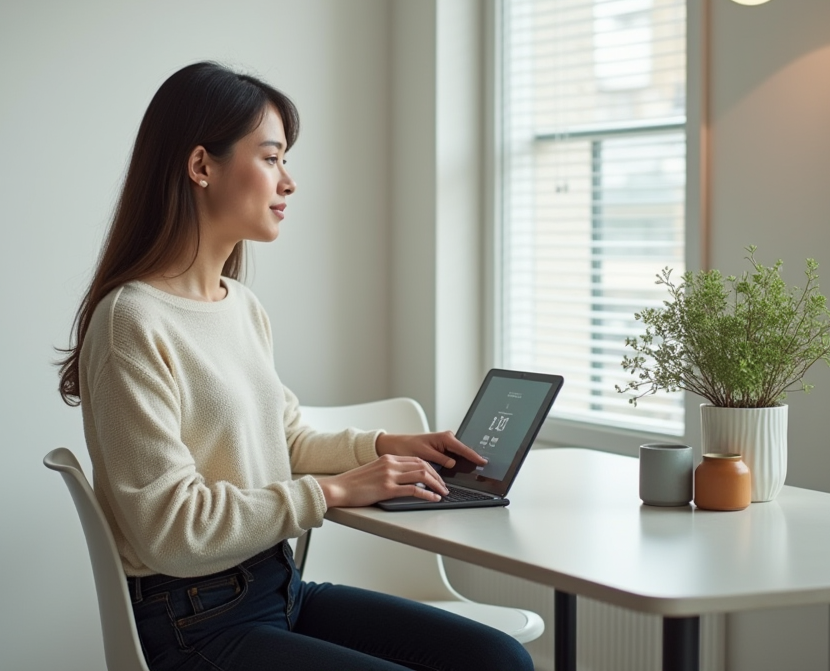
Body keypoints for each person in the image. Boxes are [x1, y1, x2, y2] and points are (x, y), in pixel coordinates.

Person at [57, 62, 534, 671]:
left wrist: (384, 446)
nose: (289, 182)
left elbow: (284, 438)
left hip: (276, 587)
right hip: (193, 624)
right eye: (271, 158)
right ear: (202, 167)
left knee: (499, 659)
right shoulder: (132, 321)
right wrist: (333, 492)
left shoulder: (241, 307)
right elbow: (171, 528)